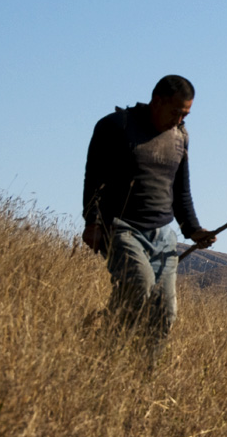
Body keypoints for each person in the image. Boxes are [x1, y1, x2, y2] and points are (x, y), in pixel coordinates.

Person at [82, 74, 214, 363]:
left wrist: (194, 230)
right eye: (176, 111)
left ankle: (143, 374)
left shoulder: (180, 136)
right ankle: (105, 354)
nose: (179, 119)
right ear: (157, 101)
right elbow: (94, 178)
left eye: (186, 114)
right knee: (137, 284)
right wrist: (92, 222)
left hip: (163, 234)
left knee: (165, 312)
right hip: (120, 227)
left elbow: (181, 189)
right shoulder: (116, 126)